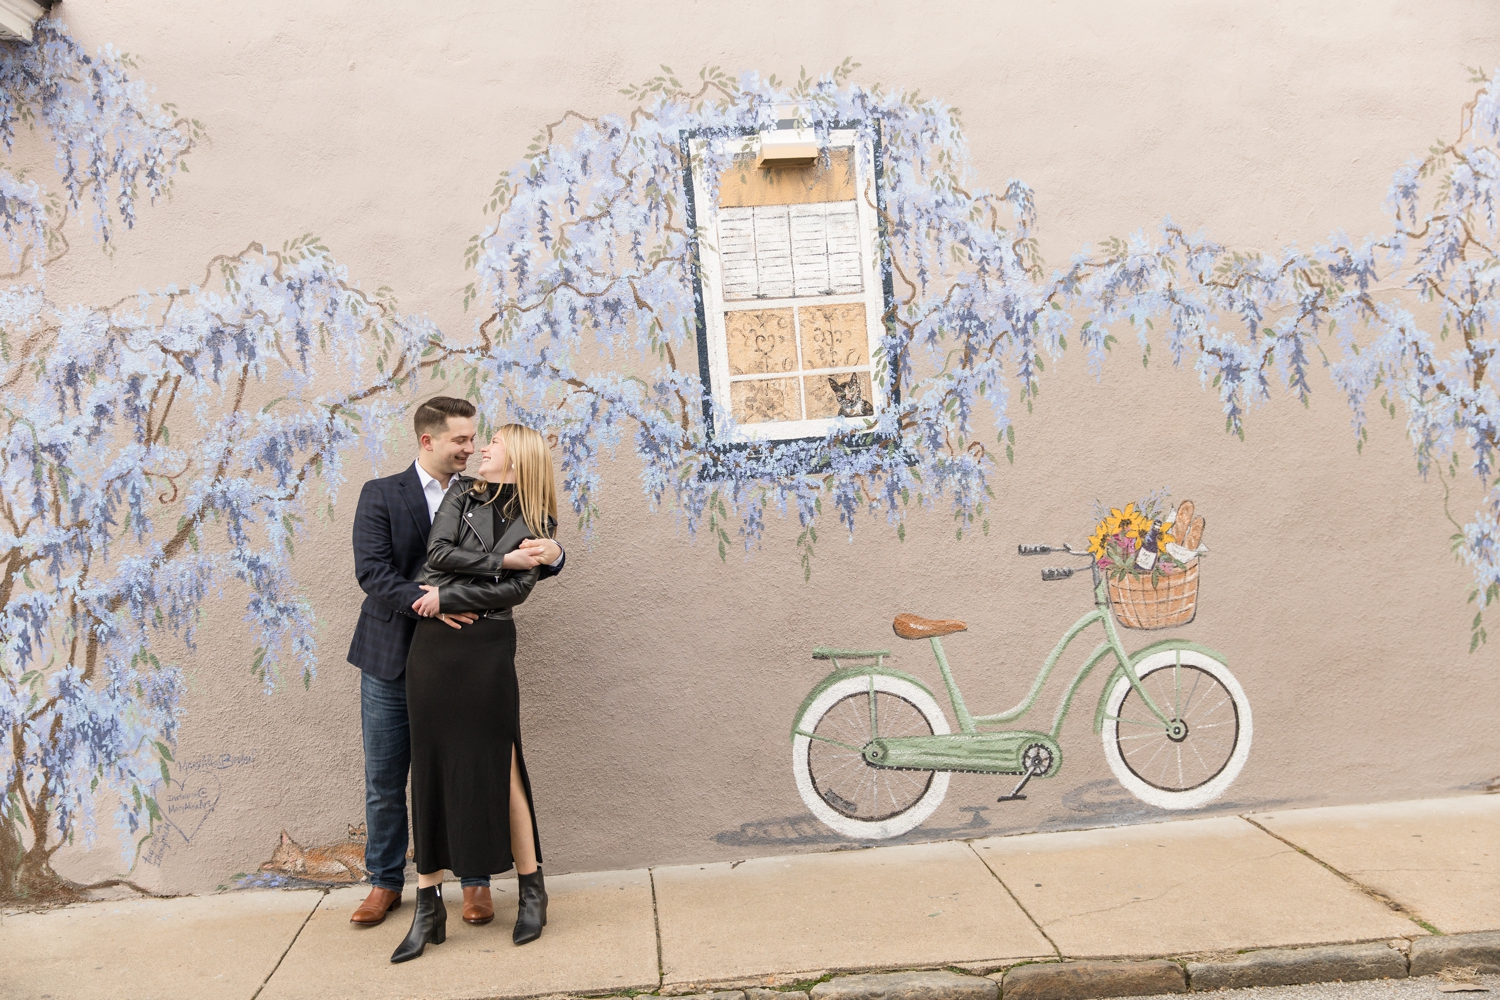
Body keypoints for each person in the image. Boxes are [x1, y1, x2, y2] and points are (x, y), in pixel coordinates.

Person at [346, 398, 563, 930]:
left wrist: (554, 555)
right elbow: (373, 573)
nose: (471, 448)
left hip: (464, 656)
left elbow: (529, 553)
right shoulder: (382, 495)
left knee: (468, 769)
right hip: (392, 652)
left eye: (477, 441)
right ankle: (384, 882)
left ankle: (475, 884)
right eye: (462, 441)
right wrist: (435, 600)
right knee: (386, 774)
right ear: (429, 442)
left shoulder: (483, 491)